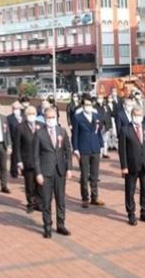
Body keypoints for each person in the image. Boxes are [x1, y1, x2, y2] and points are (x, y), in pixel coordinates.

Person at [34, 107, 73, 237]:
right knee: (46, 201)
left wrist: (69, 168)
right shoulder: (39, 134)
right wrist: (38, 173)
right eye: (48, 118)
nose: (51, 120)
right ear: (45, 119)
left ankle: (61, 225)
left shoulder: (62, 131)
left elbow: (68, 151)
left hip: (60, 171)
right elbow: (36, 156)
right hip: (45, 172)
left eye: (53, 117)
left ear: (57, 118)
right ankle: (47, 227)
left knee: (61, 200)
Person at [118, 105, 145, 225]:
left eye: (140, 115)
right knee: (130, 190)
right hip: (131, 165)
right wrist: (124, 166)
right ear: (132, 115)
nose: (138, 117)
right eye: (136, 115)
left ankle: (144, 212)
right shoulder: (125, 130)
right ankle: (131, 213)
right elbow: (122, 150)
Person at [72, 97, 105, 208]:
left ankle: (94, 197)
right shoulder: (77, 118)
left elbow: (99, 132)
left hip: (95, 148)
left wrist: (101, 145)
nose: (88, 107)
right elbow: (75, 134)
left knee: (95, 174)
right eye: (86, 105)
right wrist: (75, 148)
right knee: (85, 175)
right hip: (84, 149)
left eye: (90, 104)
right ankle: (85, 198)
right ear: (82, 106)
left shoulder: (96, 117)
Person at [16, 105, 43, 213]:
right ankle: (31, 203)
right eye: (29, 114)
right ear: (26, 116)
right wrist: (19, 161)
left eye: (33, 114)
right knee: (29, 184)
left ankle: (39, 203)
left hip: (40, 160)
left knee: (39, 183)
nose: (31, 116)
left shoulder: (41, 125)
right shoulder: (20, 127)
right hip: (27, 159)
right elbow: (17, 146)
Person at [7, 101, 24, 177]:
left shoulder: (24, 117)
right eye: (15, 108)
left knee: (24, 155)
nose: (16, 110)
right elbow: (8, 130)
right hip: (14, 139)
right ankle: (14, 171)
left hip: (23, 140)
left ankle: (23, 170)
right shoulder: (9, 118)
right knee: (14, 156)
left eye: (17, 108)